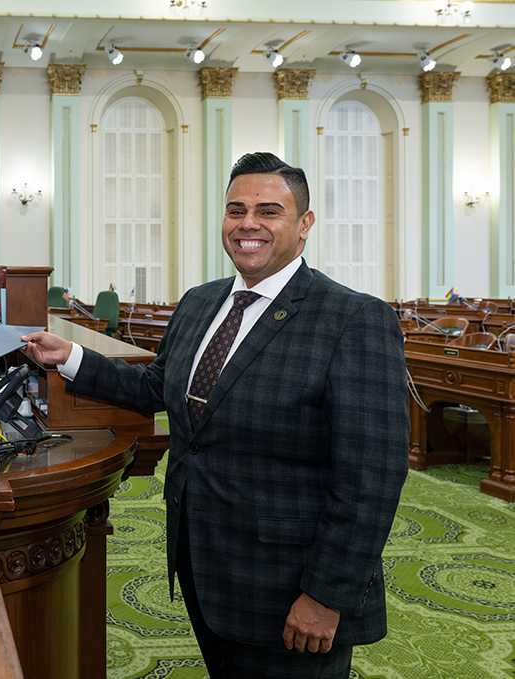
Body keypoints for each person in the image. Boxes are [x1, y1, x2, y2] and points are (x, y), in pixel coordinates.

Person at [22, 152, 408, 678]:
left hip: (291, 583)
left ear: (305, 225)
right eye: (236, 210)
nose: (248, 224)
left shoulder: (354, 318)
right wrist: (69, 357)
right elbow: (161, 386)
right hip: (205, 563)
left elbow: (373, 478)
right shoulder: (202, 302)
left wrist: (327, 595)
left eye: (269, 211)